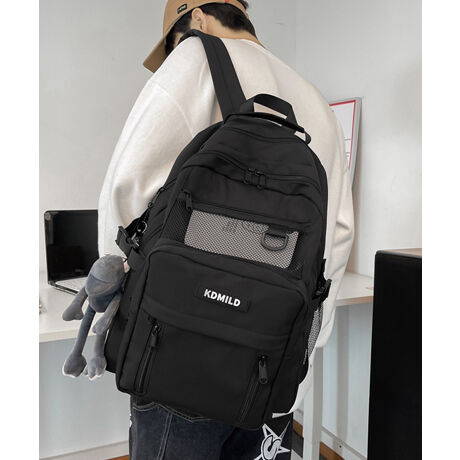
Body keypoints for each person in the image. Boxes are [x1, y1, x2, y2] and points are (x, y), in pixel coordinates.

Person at [98, 1, 354, 458]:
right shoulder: (314, 98)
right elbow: (336, 239)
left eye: (172, 42)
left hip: (177, 357)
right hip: (271, 367)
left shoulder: (193, 58)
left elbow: (125, 193)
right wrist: (299, 355)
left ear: (196, 18)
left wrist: (113, 321)